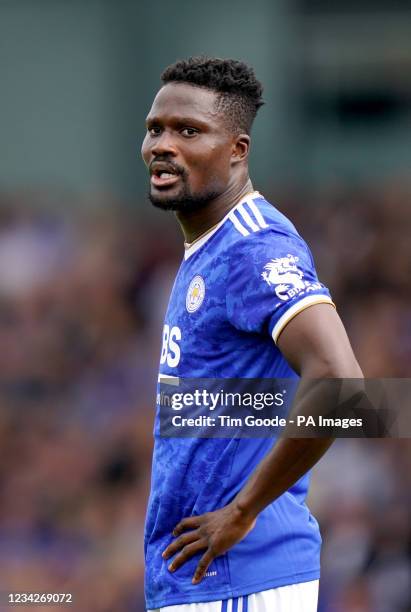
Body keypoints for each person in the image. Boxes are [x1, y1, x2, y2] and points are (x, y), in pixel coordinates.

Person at [141, 56, 362, 612]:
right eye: (155, 129)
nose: (162, 145)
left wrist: (243, 511)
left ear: (237, 150)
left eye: (188, 131)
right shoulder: (208, 247)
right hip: (201, 576)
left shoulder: (252, 247)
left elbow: (342, 385)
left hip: (241, 575)